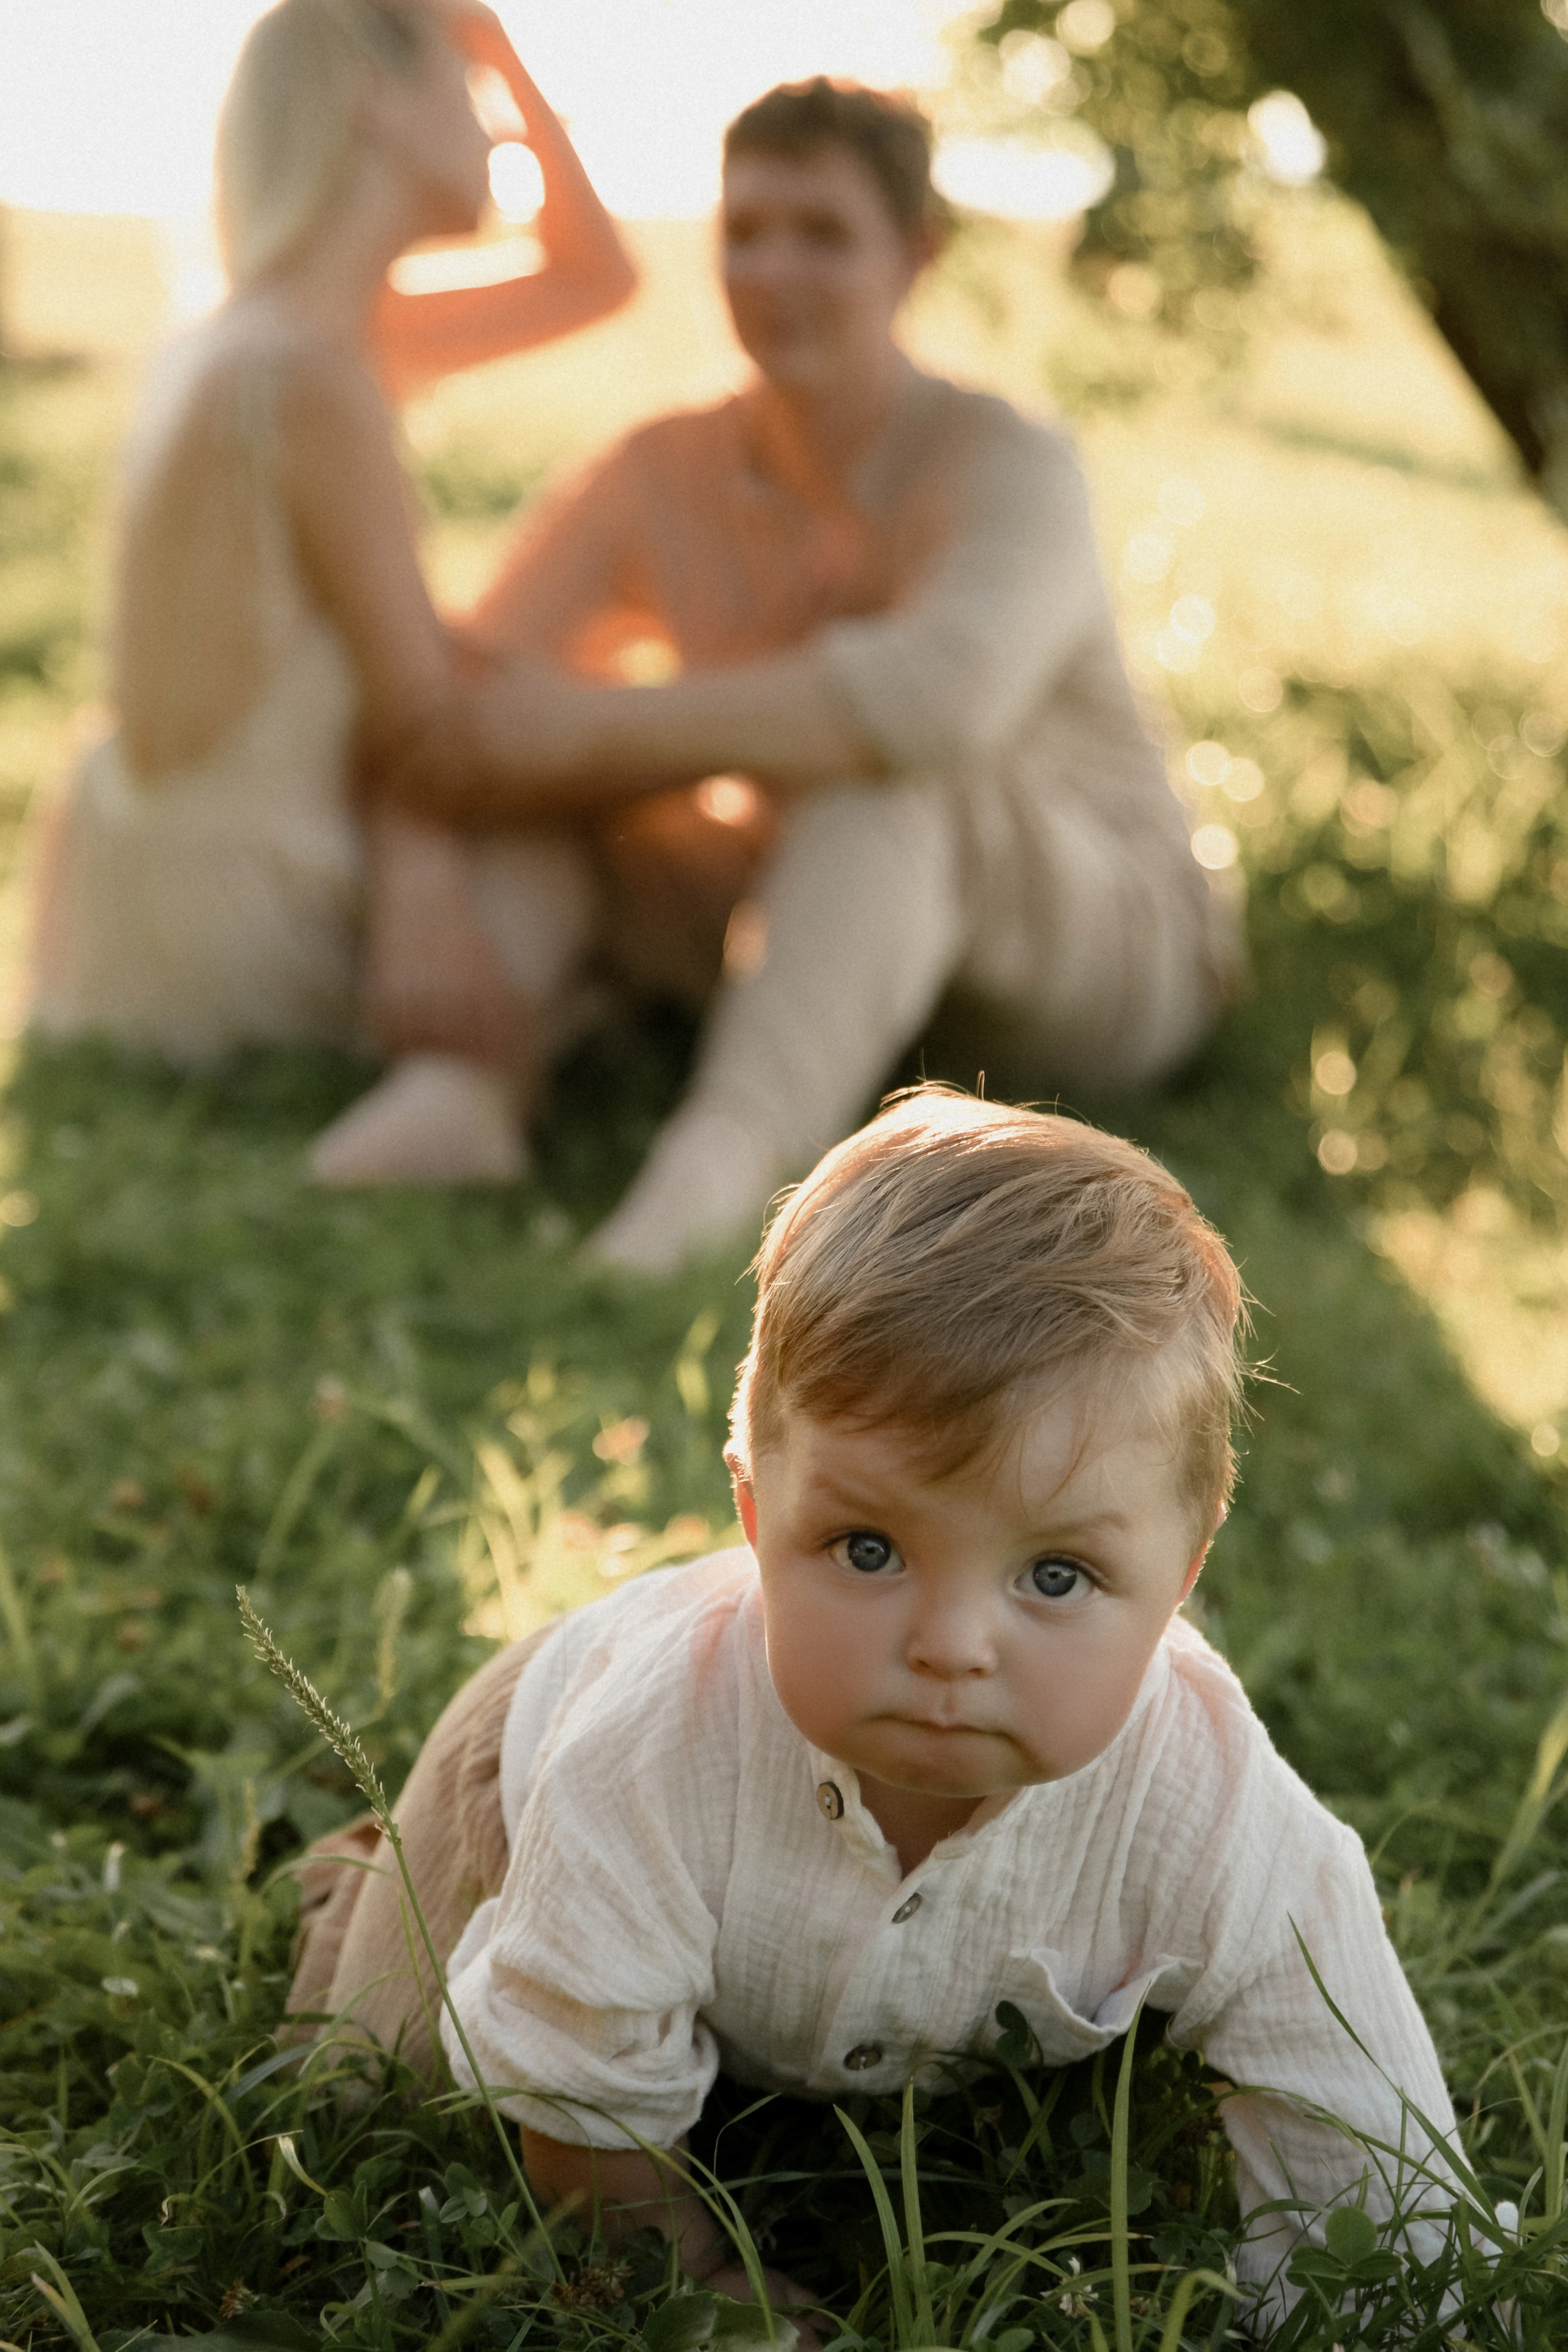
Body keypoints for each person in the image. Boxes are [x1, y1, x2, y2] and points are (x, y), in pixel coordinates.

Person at [289, 1087, 1456, 2326]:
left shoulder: (1209, 1807)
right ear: (752, 1515)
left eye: (1054, 1576)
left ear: (1180, 1577)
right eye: (862, 1549)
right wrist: (685, 2283)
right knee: (367, 2085)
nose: (950, 1648)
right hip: (512, 1790)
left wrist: (1395, 2303)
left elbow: (1352, 2110)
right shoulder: (639, 1754)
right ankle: (353, 1883)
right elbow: (580, 2098)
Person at [355, 78, 1241, 1263]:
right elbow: (467, 694)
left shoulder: (1007, 461)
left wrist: (594, 726)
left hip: (1096, 948)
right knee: (577, 781)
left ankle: (712, 1183)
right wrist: (420, 877)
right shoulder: (663, 465)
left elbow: (936, 701)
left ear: (915, 255)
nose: (774, 271)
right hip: (830, 920)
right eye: (747, 231)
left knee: (881, 767)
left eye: (823, 234)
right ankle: (463, 1086)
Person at [26, 0, 635, 1181]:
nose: (504, 135)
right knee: (559, 832)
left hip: (133, 897)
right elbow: (426, 723)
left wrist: (490, 40)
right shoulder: (311, 373)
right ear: (375, 103)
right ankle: (464, 1092)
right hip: (240, 917)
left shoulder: (253, 331)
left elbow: (595, 278)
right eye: (472, 95)